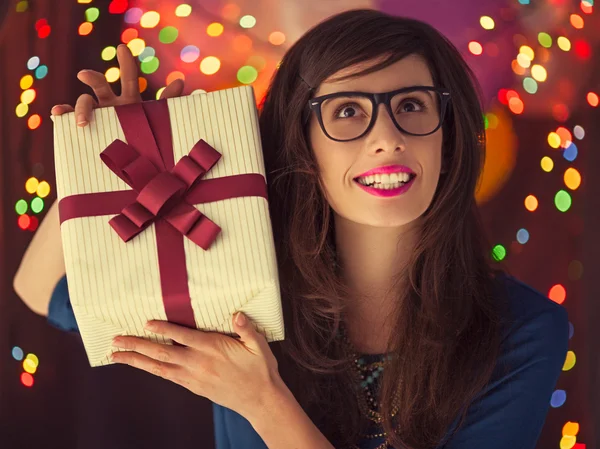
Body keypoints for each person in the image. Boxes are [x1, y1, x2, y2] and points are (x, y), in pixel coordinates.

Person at [14, 9, 569, 449]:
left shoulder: (523, 330)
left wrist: (262, 401)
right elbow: (39, 290)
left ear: (448, 139)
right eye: (347, 111)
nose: (388, 137)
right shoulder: (240, 279)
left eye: (411, 105)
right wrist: (107, 158)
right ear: (300, 144)